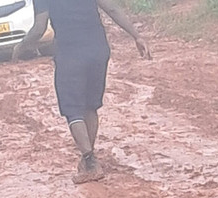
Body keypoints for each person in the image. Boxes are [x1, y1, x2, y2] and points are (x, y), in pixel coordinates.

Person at [14, 0, 151, 183]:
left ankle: (90, 162)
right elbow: (111, 7)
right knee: (90, 106)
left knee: (73, 110)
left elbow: (40, 27)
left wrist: (20, 47)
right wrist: (137, 36)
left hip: (71, 54)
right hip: (98, 50)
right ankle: (88, 160)